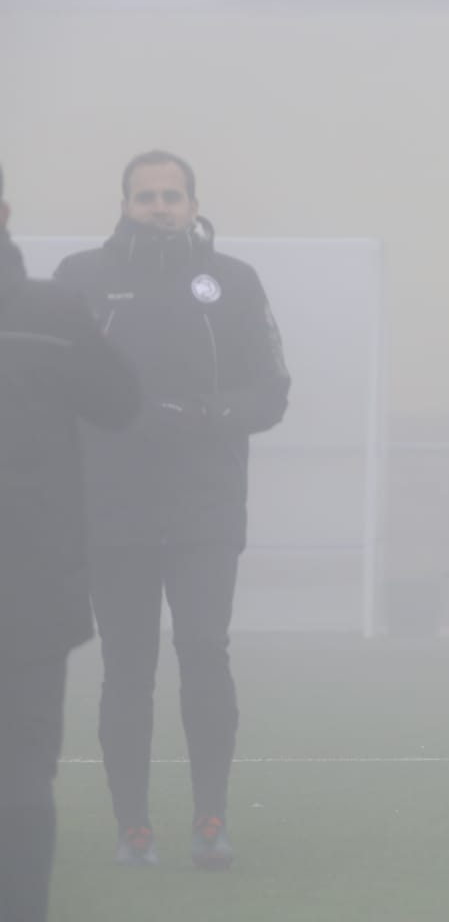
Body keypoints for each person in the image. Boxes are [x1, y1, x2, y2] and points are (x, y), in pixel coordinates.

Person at [52, 151, 291, 869]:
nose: (159, 206)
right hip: (113, 508)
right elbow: (54, 385)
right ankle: (135, 830)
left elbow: (272, 390)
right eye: (146, 195)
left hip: (204, 507)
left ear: (193, 204)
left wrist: (212, 413)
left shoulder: (236, 282)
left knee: (203, 649)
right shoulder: (81, 279)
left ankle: (210, 820)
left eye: (172, 195)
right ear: (124, 202)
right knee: (128, 668)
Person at [0, 165, 141, 921]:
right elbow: (121, 403)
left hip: (29, 586)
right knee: (22, 771)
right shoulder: (53, 312)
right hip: (28, 588)